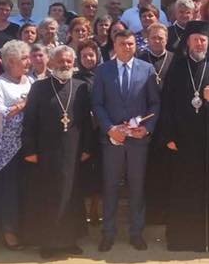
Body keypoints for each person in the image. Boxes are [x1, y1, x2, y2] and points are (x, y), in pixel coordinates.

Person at [161, 21, 209, 251]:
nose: (200, 43)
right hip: (182, 141)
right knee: (183, 188)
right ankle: (182, 239)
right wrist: (168, 134)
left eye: (204, 39)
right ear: (187, 41)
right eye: (196, 39)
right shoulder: (177, 67)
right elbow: (166, 103)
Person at [91, 29, 160, 252]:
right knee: (110, 186)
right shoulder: (103, 71)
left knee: (137, 187)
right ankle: (108, 234)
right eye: (123, 44)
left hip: (138, 140)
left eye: (131, 44)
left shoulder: (147, 69)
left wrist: (147, 129)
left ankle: (136, 233)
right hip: (112, 139)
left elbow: (154, 103)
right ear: (115, 44)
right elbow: (98, 104)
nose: (127, 47)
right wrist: (110, 129)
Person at [22, 46, 92, 258]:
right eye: (61, 61)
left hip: (73, 150)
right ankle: (49, 243)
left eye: (69, 62)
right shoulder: (39, 88)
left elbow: (87, 122)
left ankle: (70, 240)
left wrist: (88, 147)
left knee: (71, 195)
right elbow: (29, 120)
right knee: (49, 196)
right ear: (51, 63)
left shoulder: (80, 87)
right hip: (46, 150)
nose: (65, 65)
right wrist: (30, 149)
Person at [0, 40, 32, 250]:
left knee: (25, 190)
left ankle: (26, 229)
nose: (28, 62)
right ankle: (8, 232)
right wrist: (23, 105)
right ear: (11, 62)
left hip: (28, 145)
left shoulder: (30, 81)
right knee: (9, 192)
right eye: (24, 59)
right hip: (6, 149)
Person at [137, 23, 174, 225]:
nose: (157, 41)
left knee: (167, 171)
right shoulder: (140, 60)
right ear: (148, 39)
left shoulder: (175, 60)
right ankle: (149, 215)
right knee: (147, 171)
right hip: (146, 122)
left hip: (167, 123)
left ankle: (167, 214)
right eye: (153, 38)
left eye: (161, 38)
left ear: (166, 39)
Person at [74, 41, 103, 226]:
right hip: (82, 132)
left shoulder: (105, 74)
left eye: (91, 55)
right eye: (84, 56)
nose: (88, 59)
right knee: (84, 173)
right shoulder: (75, 78)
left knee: (101, 173)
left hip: (102, 131)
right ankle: (83, 212)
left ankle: (96, 210)